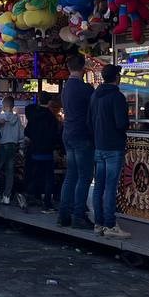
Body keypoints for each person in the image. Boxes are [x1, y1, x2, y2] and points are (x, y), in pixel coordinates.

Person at [91, 63, 131, 239]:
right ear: (116, 77)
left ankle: (98, 223)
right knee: (110, 186)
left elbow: (89, 121)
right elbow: (121, 123)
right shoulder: (117, 97)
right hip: (114, 146)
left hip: (99, 145)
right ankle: (110, 224)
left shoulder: (95, 96)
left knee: (99, 185)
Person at [57, 53, 95, 230]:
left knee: (71, 175)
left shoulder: (66, 88)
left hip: (68, 133)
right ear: (83, 67)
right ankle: (79, 214)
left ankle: (63, 214)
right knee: (84, 176)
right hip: (82, 135)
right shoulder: (85, 89)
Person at [22, 93, 60, 212]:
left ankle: (30, 196)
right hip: (47, 151)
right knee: (49, 178)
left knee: (34, 174)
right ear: (49, 102)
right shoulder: (51, 118)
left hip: (34, 150)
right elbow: (55, 136)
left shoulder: (32, 115)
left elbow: (27, 133)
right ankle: (47, 203)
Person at [0, 95, 23, 204]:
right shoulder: (17, 118)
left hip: (3, 145)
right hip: (13, 146)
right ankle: (7, 196)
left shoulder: (1, 117)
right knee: (10, 171)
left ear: (5, 105)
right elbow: (21, 135)